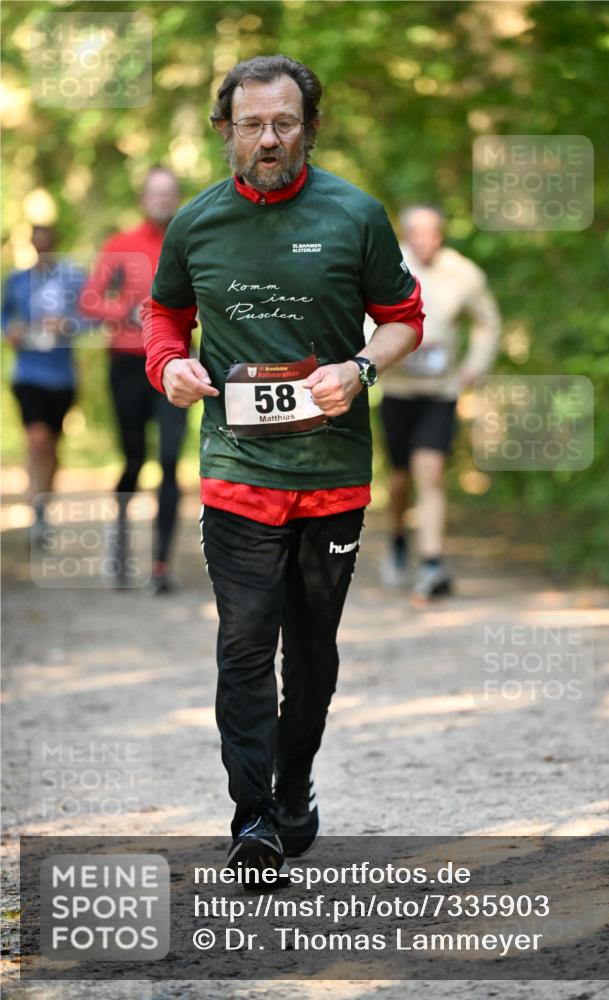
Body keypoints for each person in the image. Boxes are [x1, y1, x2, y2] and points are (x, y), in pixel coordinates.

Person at [141, 54, 424, 880]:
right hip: (236, 470)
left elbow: (403, 319)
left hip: (332, 473)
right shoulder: (194, 224)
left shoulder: (355, 214)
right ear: (224, 129)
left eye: (285, 123)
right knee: (242, 643)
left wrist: (360, 369)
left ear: (310, 126)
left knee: (312, 652)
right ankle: (254, 816)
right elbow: (164, 315)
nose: (269, 139)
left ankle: (293, 783)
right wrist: (171, 369)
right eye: (253, 124)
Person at [379, 204, 501, 602]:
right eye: (417, 231)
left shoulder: (463, 272)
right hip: (397, 390)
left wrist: (474, 366)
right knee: (400, 479)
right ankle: (398, 538)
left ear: (441, 235)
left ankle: (431, 561)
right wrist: (375, 356)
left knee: (429, 471)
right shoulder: (387, 261)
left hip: (441, 392)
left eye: (432, 232)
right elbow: (364, 314)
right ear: (407, 233)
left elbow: (487, 322)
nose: (424, 239)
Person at [79, 167, 186, 593]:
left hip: (176, 365)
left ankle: (160, 566)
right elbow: (89, 300)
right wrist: (123, 312)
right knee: (134, 461)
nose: (162, 200)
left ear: (176, 199)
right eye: (155, 194)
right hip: (127, 364)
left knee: (170, 461)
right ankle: (120, 553)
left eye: (169, 194)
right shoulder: (120, 246)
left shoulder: (188, 243)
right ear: (143, 199)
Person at [2, 225, 85, 544]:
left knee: (51, 443)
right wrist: (11, 331)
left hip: (62, 376)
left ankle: (44, 505)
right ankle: (36, 511)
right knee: (36, 439)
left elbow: (91, 315)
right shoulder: (17, 281)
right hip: (27, 374)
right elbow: (4, 317)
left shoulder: (73, 279)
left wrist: (68, 323)